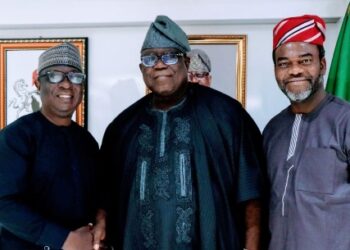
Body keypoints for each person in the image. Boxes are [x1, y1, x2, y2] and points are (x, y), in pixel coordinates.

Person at [100, 15, 264, 250]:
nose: (159, 64)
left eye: (169, 56)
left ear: (186, 62)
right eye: (149, 59)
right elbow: (105, 198)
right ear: (141, 69)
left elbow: (252, 193)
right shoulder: (122, 128)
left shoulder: (226, 115)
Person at [0, 42, 106, 250]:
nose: (66, 85)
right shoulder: (16, 137)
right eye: (55, 76)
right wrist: (62, 239)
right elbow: (3, 203)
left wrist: (101, 219)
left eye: (75, 77)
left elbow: (100, 192)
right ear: (38, 83)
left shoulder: (86, 141)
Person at [263, 15, 350, 250]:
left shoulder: (345, 121)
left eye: (305, 60)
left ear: (322, 65)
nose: (294, 71)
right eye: (284, 63)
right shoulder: (272, 130)